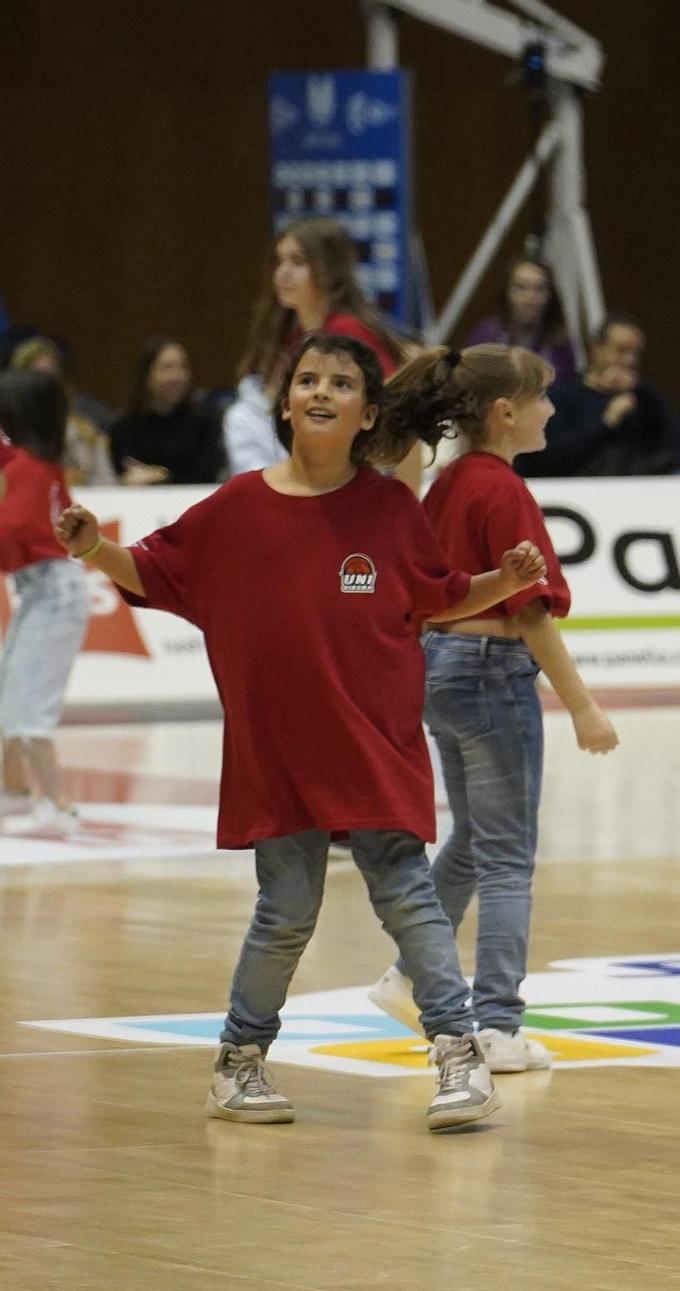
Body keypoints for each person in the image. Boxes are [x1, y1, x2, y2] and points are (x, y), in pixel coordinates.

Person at [55, 332, 549, 1131]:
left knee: (409, 894)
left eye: (342, 382)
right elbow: (157, 572)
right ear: (284, 404)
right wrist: (94, 547)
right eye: (308, 379)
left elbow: (439, 594)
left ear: (368, 414)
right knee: (285, 911)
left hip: (373, 743)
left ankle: (458, 1054)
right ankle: (239, 1059)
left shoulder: (389, 507)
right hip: (276, 752)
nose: (321, 390)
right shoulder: (235, 508)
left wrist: (506, 581)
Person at [362, 345, 620, 1074]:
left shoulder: (448, 483)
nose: (555, 409)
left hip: (439, 670)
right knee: (508, 854)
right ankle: (499, 1023)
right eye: (543, 398)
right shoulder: (501, 490)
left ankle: (411, 975)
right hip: (489, 671)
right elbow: (532, 612)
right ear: (505, 413)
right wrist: (584, 708)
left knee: (477, 837)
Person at [237, 218, 408, 487]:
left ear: (329, 270)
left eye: (298, 262)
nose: (283, 273)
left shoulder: (347, 332)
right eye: (280, 261)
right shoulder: (298, 337)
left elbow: (403, 415)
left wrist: (407, 502)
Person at [0, 371, 89, 837]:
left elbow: (11, 531)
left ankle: (59, 806)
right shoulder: (37, 461)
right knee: (9, 686)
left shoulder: (26, 469)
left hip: (52, 591)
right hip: (44, 590)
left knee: (32, 701)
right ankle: (13, 793)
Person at [525, 313, 680, 477]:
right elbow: (551, 457)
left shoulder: (646, 397)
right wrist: (605, 422)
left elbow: (669, 448)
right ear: (597, 349)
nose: (630, 360)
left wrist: (642, 392)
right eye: (621, 351)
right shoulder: (563, 395)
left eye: (635, 353)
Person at [108, 338, 225, 486]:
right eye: (166, 368)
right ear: (146, 375)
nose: (177, 376)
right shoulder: (123, 427)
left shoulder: (204, 423)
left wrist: (160, 475)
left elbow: (206, 475)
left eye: (183, 367)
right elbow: (126, 475)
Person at [8, 337, 114, 486]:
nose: (44, 389)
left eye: (51, 378)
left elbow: (108, 487)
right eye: (35, 378)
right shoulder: (5, 438)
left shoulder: (85, 434)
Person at [463, 255, 580, 380]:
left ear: (550, 295)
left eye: (539, 288)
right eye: (521, 287)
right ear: (506, 293)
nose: (530, 298)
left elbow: (569, 391)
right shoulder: (486, 335)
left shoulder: (561, 343)